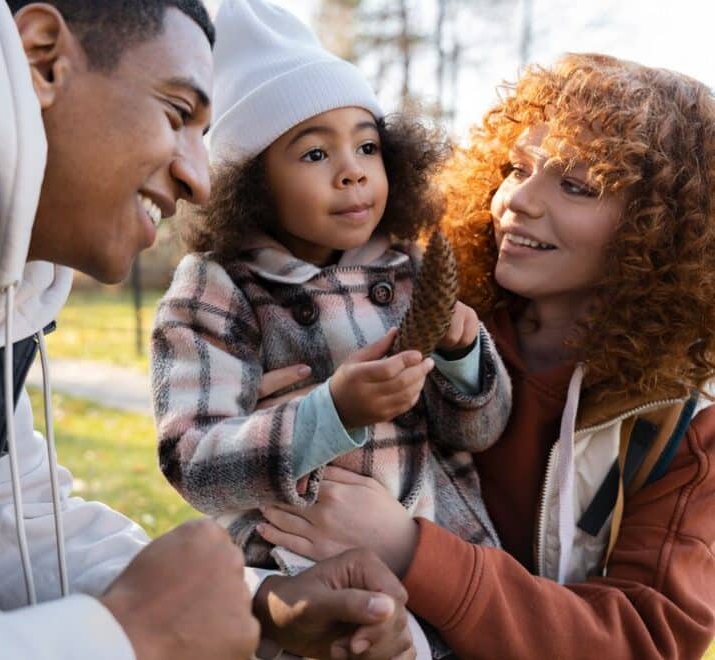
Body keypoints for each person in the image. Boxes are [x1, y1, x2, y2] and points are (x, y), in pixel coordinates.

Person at [0, 1, 417, 658]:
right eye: (176, 114)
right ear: (43, 58)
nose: (198, 178)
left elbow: (15, 524)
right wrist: (119, 639)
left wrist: (259, 602)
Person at [256, 53, 715, 658]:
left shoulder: (683, 427)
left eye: (576, 185)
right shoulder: (418, 317)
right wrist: (278, 425)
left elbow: (641, 638)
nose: (517, 200)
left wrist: (409, 551)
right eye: (516, 167)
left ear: (661, 231)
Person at [152, 0, 510, 596]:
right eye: (315, 154)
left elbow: (479, 433)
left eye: (367, 147)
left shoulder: (410, 271)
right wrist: (331, 414)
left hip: (437, 558)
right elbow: (192, 462)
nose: (352, 172)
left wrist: (462, 354)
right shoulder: (215, 290)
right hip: (304, 570)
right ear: (251, 184)